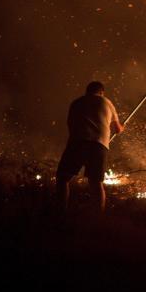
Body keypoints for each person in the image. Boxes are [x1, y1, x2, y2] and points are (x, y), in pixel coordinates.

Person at [56, 81, 123, 214]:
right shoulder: (107, 102)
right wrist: (122, 127)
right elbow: (117, 129)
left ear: (87, 91)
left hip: (78, 142)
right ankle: (97, 218)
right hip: (99, 145)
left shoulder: (76, 103)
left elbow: (71, 124)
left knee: (63, 178)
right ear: (101, 92)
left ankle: (60, 212)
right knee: (96, 182)